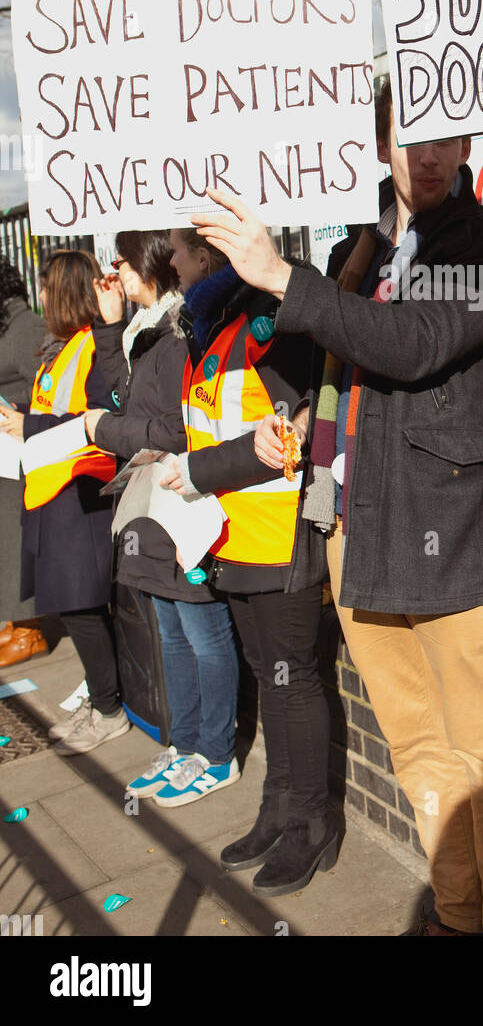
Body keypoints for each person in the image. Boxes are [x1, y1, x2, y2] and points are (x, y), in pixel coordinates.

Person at [189, 83, 483, 937]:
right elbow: (342, 362)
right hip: (354, 526)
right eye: (407, 137)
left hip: (447, 534)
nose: (426, 155)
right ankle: (459, 915)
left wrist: (282, 276)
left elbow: (413, 346)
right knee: (418, 745)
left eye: (443, 137)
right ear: (379, 145)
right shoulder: (361, 245)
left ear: (466, 147)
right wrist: (306, 417)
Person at [160, 228, 332, 891]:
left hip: (279, 534)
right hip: (232, 537)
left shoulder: (268, 320)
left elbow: (289, 431)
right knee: (270, 677)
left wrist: (195, 470)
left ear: (209, 256)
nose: (170, 260)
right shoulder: (211, 329)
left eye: (178, 248)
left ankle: (311, 824)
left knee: (293, 684)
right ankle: (279, 809)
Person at [82, 228, 240, 807]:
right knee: (171, 632)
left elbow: (173, 430)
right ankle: (186, 743)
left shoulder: (178, 335)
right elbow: (119, 399)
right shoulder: (141, 334)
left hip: (183, 501)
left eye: (123, 260)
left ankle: (216, 754)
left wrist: (104, 430)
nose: (115, 270)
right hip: (151, 499)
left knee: (200, 628)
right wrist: (108, 325)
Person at [0, 249, 129, 753]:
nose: (44, 296)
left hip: (79, 491)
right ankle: (101, 701)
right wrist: (24, 415)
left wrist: (27, 423)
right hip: (54, 490)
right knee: (75, 610)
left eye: (51, 288)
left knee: (83, 609)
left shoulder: (91, 348)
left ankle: (109, 709)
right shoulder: (63, 347)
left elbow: (96, 417)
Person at [0, 257, 49, 666]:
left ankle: (28, 631)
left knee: (15, 541)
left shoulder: (24, 325)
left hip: (18, 450)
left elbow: (47, 389)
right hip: (5, 451)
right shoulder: (8, 324)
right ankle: (10, 625)